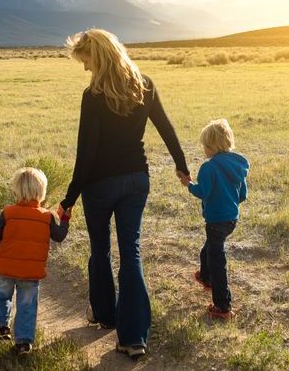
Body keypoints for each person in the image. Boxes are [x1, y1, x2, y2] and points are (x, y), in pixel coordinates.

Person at [59, 29, 189, 359]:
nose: (85, 69)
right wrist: (181, 164)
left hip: (100, 185)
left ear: (97, 57)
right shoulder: (145, 84)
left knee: (100, 249)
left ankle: (104, 316)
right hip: (136, 180)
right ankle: (134, 338)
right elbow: (166, 127)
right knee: (130, 252)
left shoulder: (93, 96)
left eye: (85, 61)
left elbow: (85, 154)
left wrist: (69, 198)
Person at [0, 167, 71, 355]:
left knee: (2, 295)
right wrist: (65, 218)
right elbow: (60, 236)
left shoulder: (8, 212)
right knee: (27, 305)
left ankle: (2, 326)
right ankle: (23, 342)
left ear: (16, 190)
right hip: (30, 273)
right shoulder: (46, 216)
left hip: (6, 269)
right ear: (41, 192)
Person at [179, 119, 249, 319]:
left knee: (217, 259)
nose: (204, 150)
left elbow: (203, 191)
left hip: (215, 220)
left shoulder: (208, 168)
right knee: (210, 248)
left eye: (205, 146)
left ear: (211, 146)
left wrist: (188, 183)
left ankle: (222, 306)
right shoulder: (237, 166)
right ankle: (206, 277)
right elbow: (242, 195)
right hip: (231, 220)